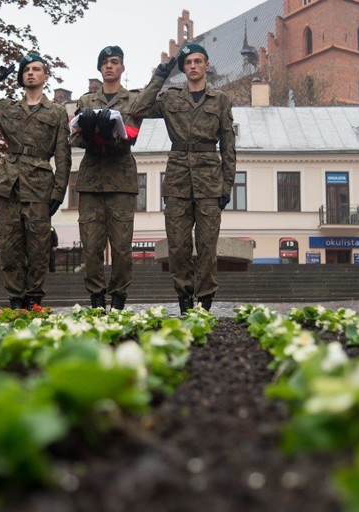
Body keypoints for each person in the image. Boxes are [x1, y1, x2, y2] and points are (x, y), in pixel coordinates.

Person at [130, 43, 236, 314]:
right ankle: (185, 299)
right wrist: (160, 76)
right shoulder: (170, 97)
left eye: (198, 61)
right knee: (177, 245)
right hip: (177, 178)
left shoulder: (220, 99)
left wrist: (227, 184)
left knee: (207, 244)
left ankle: (206, 300)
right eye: (188, 62)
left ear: (207, 65)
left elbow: (228, 145)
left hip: (209, 180)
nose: (193, 66)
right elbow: (137, 108)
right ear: (184, 68)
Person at [0, 52, 71, 310]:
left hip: (39, 187)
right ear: (21, 78)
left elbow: (63, 156)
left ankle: (33, 299)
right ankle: (15, 301)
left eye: (36, 69)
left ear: (45, 76)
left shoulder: (56, 112)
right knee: (9, 246)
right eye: (26, 70)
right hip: (10, 184)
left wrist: (59, 191)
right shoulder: (7, 107)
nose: (30, 73)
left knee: (38, 248)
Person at [71, 45, 141, 311]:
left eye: (114, 62)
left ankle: (119, 300)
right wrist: (88, 133)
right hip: (91, 183)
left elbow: (132, 134)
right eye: (105, 63)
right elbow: (74, 137)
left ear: (122, 68)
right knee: (91, 247)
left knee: (122, 249)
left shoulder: (133, 100)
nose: (109, 66)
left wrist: (108, 132)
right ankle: (97, 300)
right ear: (99, 69)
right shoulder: (86, 100)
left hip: (121, 181)